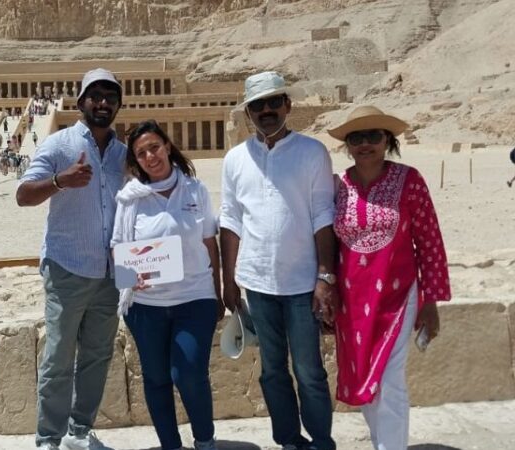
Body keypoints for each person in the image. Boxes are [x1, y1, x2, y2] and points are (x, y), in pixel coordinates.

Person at [219, 71, 338, 450]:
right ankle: (288, 440)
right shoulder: (236, 159)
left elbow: (323, 215)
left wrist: (325, 277)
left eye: (274, 102)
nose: (267, 110)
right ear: (248, 113)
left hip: (302, 283)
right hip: (257, 283)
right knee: (272, 372)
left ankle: (321, 441)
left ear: (288, 105)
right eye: (258, 105)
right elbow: (231, 220)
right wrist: (228, 280)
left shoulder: (312, 152)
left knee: (309, 371)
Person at [328, 106, 451, 450]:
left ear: (388, 141)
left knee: (390, 380)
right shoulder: (339, 186)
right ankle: (383, 442)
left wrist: (431, 301)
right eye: (356, 138)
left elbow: (430, 242)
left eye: (373, 136)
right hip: (351, 303)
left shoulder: (410, 181)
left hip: (398, 298)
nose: (365, 144)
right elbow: (325, 244)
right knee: (365, 377)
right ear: (347, 145)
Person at [17, 68, 126, 450]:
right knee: (59, 357)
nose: (102, 103)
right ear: (80, 102)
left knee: (97, 357)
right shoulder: (59, 144)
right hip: (67, 268)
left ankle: (80, 433)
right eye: (95, 95)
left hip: (111, 274)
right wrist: (61, 181)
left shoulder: (124, 155)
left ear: (118, 104)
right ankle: (48, 438)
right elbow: (23, 195)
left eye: (110, 96)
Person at [111, 120, 223, 450]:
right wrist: (132, 278)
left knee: (189, 374)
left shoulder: (195, 190)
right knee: (156, 379)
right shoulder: (130, 199)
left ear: (167, 146)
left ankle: (205, 441)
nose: (150, 156)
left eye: (155, 147)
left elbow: (210, 243)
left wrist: (217, 292)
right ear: (135, 160)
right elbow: (119, 246)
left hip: (194, 297)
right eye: (141, 152)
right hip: (146, 305)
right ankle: (170, 445)